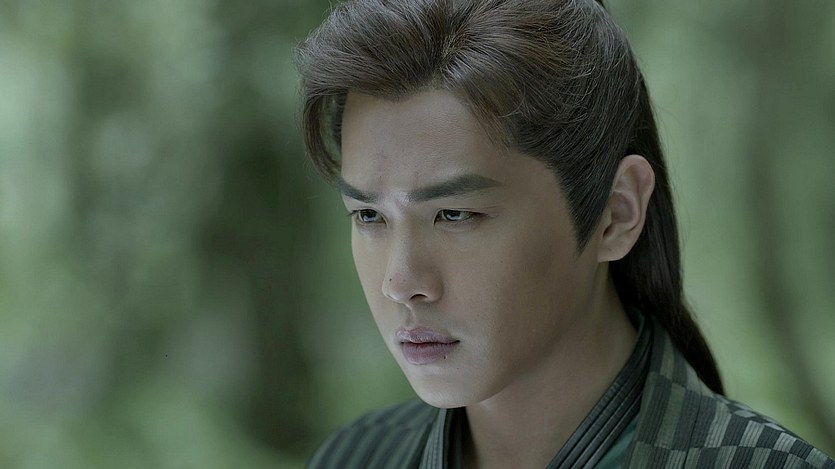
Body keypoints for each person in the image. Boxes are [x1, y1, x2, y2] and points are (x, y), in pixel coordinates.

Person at [295, 0, 835, 467]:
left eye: (455, 214)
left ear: (616, 213)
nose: (401, 283)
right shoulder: (355, 457)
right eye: (368, 216)